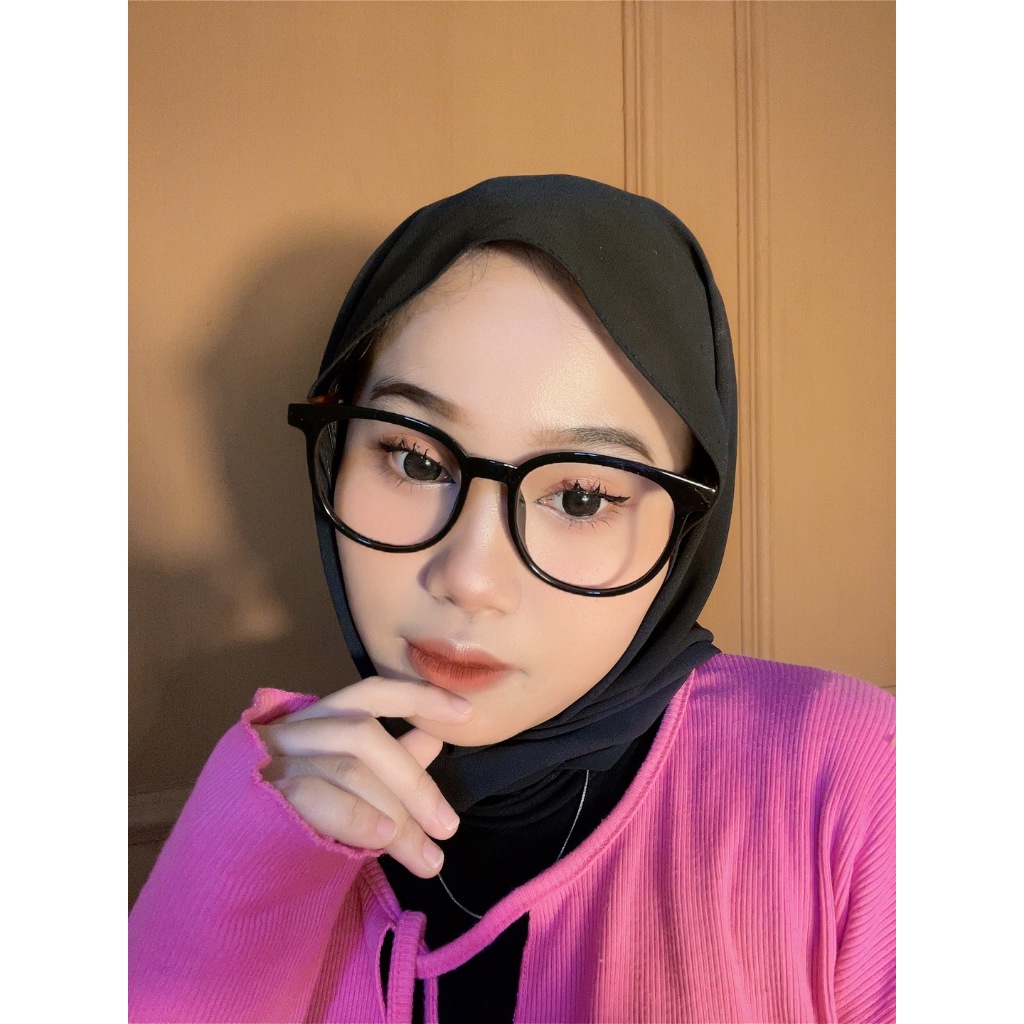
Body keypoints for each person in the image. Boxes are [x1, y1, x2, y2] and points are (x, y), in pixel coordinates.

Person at [128, 175, 895, 1023]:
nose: (470, 578)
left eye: (582, 496)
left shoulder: (856, 789)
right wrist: (234, 882)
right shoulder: (260, 807)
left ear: (688, 526)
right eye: (415, 460)